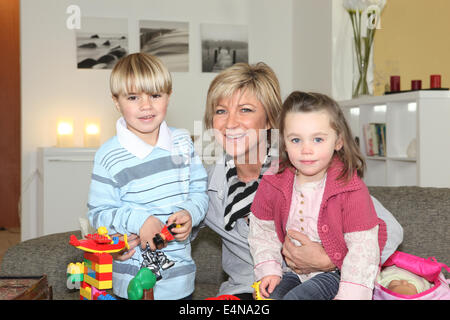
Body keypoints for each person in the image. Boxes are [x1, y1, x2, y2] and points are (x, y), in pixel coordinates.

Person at [203, 63, 403, 299]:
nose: (230, 123)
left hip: (324, 284)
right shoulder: (204, 182)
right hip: (249, 288)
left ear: (269, 120)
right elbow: (173, 220)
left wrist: (329, 259)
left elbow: (389, 230)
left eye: (245, 110)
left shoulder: (305, 167)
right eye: (220, 111)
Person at [87, 53, 208, 299]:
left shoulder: (183, 142)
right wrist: (139, 221)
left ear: (169, 96)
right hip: (132, 281)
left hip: (182, 281)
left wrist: (190, 214)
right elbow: (98, 214)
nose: (146, 106)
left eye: (155, 95)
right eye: (133, 97)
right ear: (116, 101)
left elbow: (200, 193)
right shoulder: (108, 155)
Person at [249, 91, 387, 300]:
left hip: (337, 275)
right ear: (284, 143)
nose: (306, 149)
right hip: (293, 272)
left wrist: (351, 295)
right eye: (296, 140)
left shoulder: (351, 189)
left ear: (338, 141)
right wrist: (269, 269)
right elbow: (262, 230)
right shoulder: (272, 181)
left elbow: (363, 249)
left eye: (318, 139)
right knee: (267, 297)